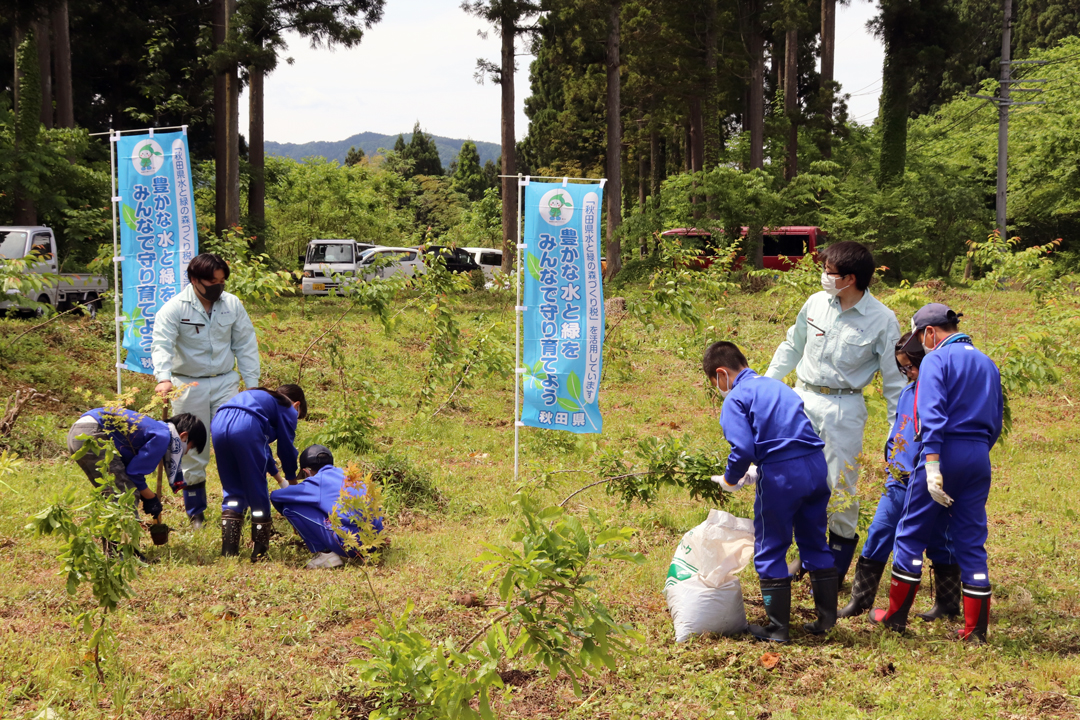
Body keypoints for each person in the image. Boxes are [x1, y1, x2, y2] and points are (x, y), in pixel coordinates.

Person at [764, 241, 905, 583]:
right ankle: (808, 556)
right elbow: (792, 345)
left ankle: (832, 569)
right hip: (802, 400)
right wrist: (767, 385)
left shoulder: (882, 320)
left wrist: (896, 434)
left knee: (840, 486)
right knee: (796, 483)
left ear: (851, 278)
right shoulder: (815, 303)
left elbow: (894, 383)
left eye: (830, 273)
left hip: (844, 409)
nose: (824, 277)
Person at [870, 304, 1003, 643]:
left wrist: (932, 464)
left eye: (919, 337)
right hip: (978, 455)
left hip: (943, 451)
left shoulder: (936, 360)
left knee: (911, 532)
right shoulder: (987, 362)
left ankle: (896, 617)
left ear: (929, 333)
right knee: (972, 540)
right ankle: (976, 631)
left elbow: (931, 413)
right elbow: (996, 420)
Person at [704, 341, 836, 642]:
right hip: (815, 467)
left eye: (715, 383)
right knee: (814, 539)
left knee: (771, 544)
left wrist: (730, 478)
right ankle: (827, 620)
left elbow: (743, 448)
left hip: (782, 476)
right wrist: (759, 469)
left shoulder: (736, 398)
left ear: (722, 374)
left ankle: (777, 628)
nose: (718, 389)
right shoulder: (779, 387)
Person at [839, 334, 959, 619]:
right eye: (901, 368)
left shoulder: (939, 394)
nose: (907, 373)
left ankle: (947, 605)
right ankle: (861, 599)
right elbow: (899, 433)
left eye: (911, 367)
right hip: (898, 478)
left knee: (940, 539)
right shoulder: (908, 393)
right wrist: (891, 460)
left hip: (927, 479)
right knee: (880, 531)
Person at [151, 253, 261, 530]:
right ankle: (196, 512)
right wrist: (163, 378)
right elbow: (162, 344)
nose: (218, 286)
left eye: (222, 281)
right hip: (188, 385)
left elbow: (245, 344)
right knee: (191, 448)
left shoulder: (232, 304)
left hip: (225, 381)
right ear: (194, 280)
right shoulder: (175, 308)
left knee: (232, 440)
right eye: (212, 281)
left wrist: (253, 385)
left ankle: (235, 505)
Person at [212, 385, 307, 561]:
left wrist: (280, 479)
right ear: (297, 405)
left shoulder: (262, 400)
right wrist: (293, 485)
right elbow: (286, 449)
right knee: (256, 488)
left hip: (218, 423)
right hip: (246, 426)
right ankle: (260, 551)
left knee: (232, 489)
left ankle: (229, 551)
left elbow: (263, 450)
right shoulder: (288, 407)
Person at [67, 407, 206, 520]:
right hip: (93, 434)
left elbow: (129, 470)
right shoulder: (163, 436)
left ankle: (116, 548)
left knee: (113, 492)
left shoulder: (157, 428)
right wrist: (151, 497)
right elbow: (135, 473)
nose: (187, 452)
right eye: (191, 447)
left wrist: (146, 495)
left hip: (78, 432)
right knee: (124, 495)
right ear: (184, 436)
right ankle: (122, 551)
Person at [270, 445, 386, 570]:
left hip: (352, 545)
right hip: (375, 541)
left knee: (290, 506)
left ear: (307, 471)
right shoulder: (349, 475)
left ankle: (326, 554)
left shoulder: (316, 480)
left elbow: (276, 496)